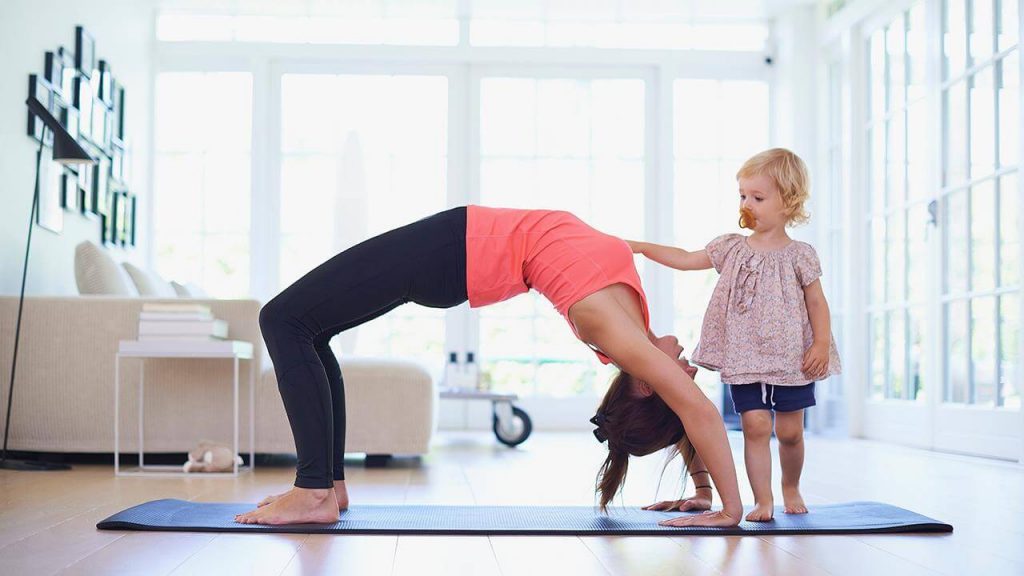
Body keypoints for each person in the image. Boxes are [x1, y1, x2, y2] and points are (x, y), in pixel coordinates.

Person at [236, 205, 743, 527]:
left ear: (650, 387)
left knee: (283, 319)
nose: (691, 370)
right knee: (309, 327)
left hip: (457, 249)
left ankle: (313, 491)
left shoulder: (619, 334)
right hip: (459, 247)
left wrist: (730, 508)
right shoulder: (635, 325)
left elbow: (694, 410)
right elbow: (684, 413)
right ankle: (329, 486)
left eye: (681, 379)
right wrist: (701, 491)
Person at [629, 148, 841, 522]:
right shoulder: (731, 247)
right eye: (743, 196)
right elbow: (685, 257)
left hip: (792, 356)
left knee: (791, 432)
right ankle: (762, 499)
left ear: (788, 202)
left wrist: (821, 343)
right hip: (745, 356)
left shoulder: (801, 255)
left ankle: (790, 486)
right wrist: (642, 247)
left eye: (758, 198)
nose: (748, 204)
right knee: (755, 426)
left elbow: (818, 304)